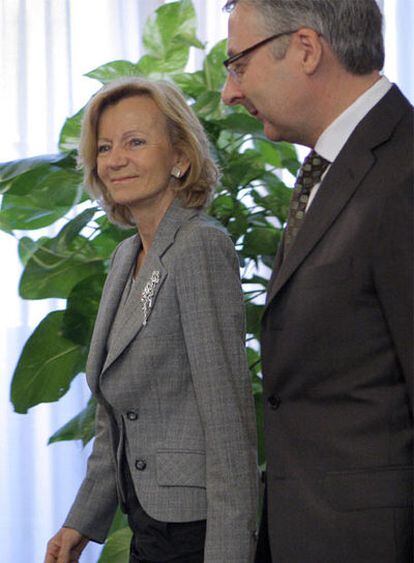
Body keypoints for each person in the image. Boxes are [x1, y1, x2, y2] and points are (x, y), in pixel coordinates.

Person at [221, 1, 413, 562]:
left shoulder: (402, 173)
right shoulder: (335, 168)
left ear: (305, 49)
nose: (229, 92)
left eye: (237, 64)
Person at [44, 76, 258, 563]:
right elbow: (115, 414)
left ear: (180, 157)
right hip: (144, 521)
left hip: (195, 532)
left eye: (135, 142)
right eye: (104, 147)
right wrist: (81, 521)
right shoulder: (126, 257)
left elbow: (228, 420)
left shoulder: (199, 245)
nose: (115, 159)